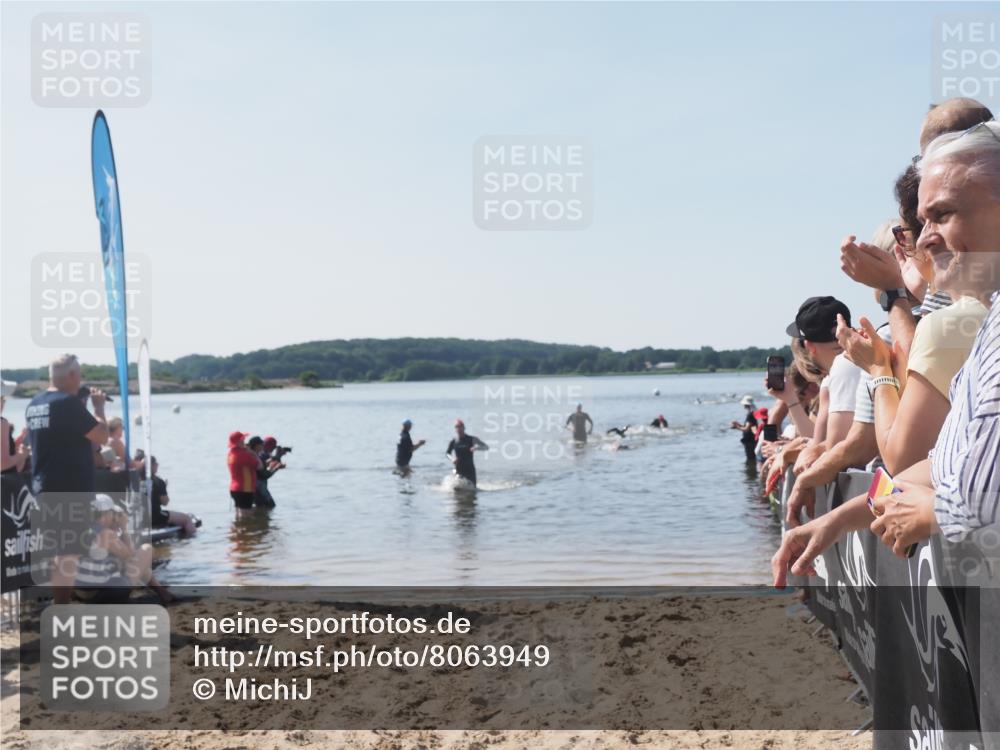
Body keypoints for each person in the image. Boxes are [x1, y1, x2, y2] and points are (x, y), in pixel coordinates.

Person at [773, 119, 1000, 583]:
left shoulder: (955, 325)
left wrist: (879, 365)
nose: (922, 239)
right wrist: (840, 517)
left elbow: (969, 495)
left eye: (940, 216)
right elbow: (940, 466)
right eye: (918, 225)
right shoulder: (986, 322)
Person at [25, 354, 109, 604]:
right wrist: (99, 408)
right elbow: (102, 436)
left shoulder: (34, 403)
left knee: (62, 551)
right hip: (69, 486)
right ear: (73, 376)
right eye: (79, 374)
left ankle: (61, 605)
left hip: (44, 485)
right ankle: (61, 609)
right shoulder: (67, 404)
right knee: (68, 553)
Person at [75, 494, 173, 604]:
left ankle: (162, 592)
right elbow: (130, 556)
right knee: (146, 549)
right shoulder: (106, 534)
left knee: (132, 561)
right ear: (107, 513)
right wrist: (124, 527)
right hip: (100, 595)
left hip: (80, 592)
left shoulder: (83, 529)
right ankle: (162, 592)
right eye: (112, 513)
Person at [149, 456, 197, 535]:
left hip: (138, 518)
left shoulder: (134, 479)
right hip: (155, 517)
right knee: (187, 519)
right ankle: (192, 541)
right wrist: (164, 487)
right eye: (156, 464)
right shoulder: (157, 481)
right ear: (154, 465)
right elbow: (165, 502)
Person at [446, 419, 488, 487]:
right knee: (456, 489)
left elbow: (486, 447)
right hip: (459, 469)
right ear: (455, 429)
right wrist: (452, 459)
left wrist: (477, 448)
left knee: (472, 490)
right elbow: (447, 453)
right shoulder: (454, 441)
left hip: (470, 470)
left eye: (460, 426)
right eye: (456, 427)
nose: (458, 429)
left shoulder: (471, 439)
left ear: (464, 428)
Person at [227, 431, 261, 515]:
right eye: (243, 440)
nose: (244, 442)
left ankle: (237, 527)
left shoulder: (230, 454)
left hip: (234, 489)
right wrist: (253, 453)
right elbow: (260, 466)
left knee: (238, 515)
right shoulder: (244, 455)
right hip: (245, 489)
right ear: (239, 442)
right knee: (247, 516)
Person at [1, 380, 28, 475]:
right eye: (2, 399)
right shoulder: (2, 423)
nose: (3, 403)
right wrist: (23, 454)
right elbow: (3, 464)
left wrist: (15, 445)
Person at [730, 396, 758, 461]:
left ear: (746, 404)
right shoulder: (753, 413)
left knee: (750, 458)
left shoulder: (750, 415)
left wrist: (736, 427)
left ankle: (751, 470)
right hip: (752, 439)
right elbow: (749, 426)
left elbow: (746, 429)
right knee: (752, 457)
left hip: (749, 440)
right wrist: (738, 424)